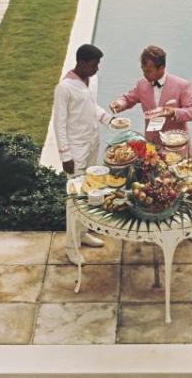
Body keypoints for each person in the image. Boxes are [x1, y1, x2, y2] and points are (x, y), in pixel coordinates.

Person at [53, 43, 113, 262]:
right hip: (75, 152)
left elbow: (91, 107)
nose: (97, 68)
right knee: (74, 199)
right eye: (95, 64)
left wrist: (109, 120)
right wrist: (65, 156)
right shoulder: (64, 88)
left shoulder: (91, 80)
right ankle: (71, 247)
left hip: (92, 145)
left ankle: (82, 233)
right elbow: (58, 124)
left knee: (89, 193)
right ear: (82, 63)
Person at [109, 45, 192, 147]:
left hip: (176, 146)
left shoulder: (182, 85)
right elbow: (128, 99)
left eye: (148, 71)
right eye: (143, 70)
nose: (144, 74)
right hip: (151, 147)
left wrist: (173, 112)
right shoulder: (141, 84)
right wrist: (119, 103)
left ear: (161, 68)